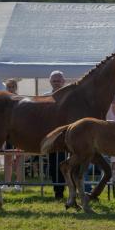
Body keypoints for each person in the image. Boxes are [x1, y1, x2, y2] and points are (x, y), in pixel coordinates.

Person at [44, 70, 66, 199]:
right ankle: (58, 192)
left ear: (63, 81)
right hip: (51, 136)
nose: (56, 83)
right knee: (54, 165)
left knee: (68, 164)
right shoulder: (45, 96)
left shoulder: (70, 96)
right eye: (54, 81)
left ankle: (72, 190)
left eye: (58, 80)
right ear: (50, 82)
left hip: (67, 135)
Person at [1, 79, 24, 192]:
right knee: (8, 158)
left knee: (19, 158)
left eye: (12, 87)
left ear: (16, 87)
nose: (10, 89)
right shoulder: (4, 100)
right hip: (8, 133)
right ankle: (6, 183)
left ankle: (19, 184)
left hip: (20, 133)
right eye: (8, 87)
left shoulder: (21, 100)